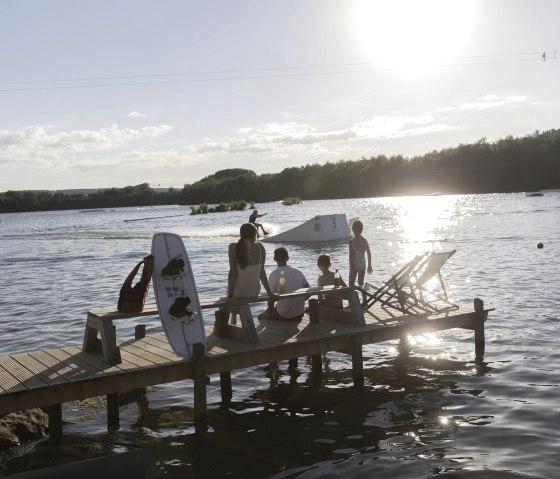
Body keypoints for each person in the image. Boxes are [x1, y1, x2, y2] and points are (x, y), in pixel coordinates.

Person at [228, 223, 274, 303]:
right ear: (255, 234)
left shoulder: (233, 247)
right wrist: (269, 293)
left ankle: (236, 314)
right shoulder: (260, 247)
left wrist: (230, 295)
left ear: (241, 234)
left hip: (238, 293)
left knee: (222, 306)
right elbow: (262, 273)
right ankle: (237, 314)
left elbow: (233, 273)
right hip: (255, 292)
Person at [263, 246, 309, 321]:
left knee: (261, 316)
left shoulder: (273, 274)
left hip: (283, 315)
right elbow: (308, 290)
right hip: (300, 313)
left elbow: (271, 297)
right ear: (288, 258)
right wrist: (298, 300)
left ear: (274, 259)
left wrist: (270, 310)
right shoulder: (298, 271)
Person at [348, 220, 372, 305]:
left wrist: (351, 267)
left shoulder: (351, 242)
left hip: (354, 263)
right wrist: (369, 265)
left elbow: (351, 256)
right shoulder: (364, 240)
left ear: (353, 229)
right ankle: (365, 300)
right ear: (361, 229)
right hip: (362, 263)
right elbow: (369, 253)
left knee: (351, 285)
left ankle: (352, 303)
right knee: (361, 283)